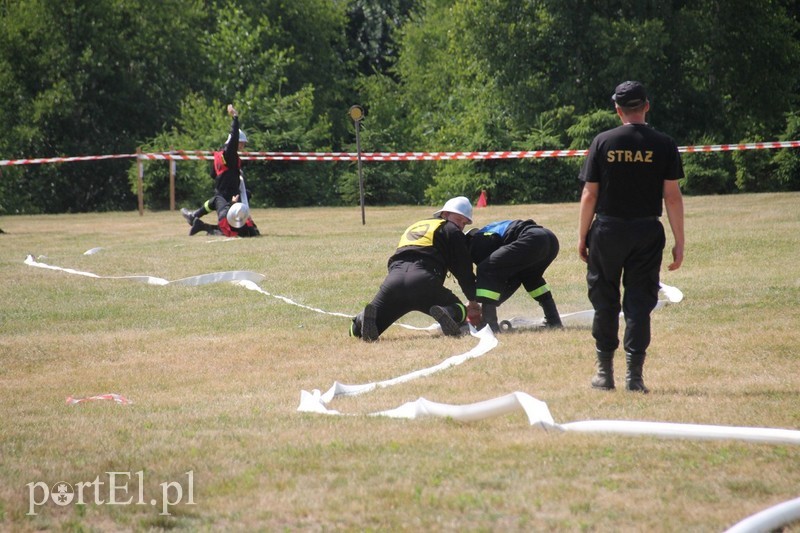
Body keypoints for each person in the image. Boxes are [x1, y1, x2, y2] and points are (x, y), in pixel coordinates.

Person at [577, 80, 685, 393]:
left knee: (605, 301)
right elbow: (672, 196)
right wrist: (680, 241)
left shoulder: (603, 141)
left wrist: (582, 236)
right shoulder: (664, 143)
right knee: (639, 304)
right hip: (647, 231)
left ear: (617, 110)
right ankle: (634, 378)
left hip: (607, 231)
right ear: (646, 106)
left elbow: (589, 194)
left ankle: (604, 374)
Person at [350, 196, 482, 342]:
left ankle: (360, 320)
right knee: (459, 308)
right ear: (445, 214)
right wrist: (473, 301)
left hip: (395, 280)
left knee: (360, 330)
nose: (461, 226)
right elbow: (464, 271)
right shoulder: (451, 230)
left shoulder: (416, 225)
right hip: (424, 281)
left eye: (465, 223)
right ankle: (447, 312)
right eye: (459, 220)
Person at [467, 219, 562, 333]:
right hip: (549, 239)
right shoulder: (489, 232)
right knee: (530, 278)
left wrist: (475, 304)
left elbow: (490, 275)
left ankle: (488, 325)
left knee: (485, 268)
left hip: (532, 239)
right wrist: (486, 306)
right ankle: (553, 320)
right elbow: (512, 279)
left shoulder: (476, 242)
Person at [181, 104, 259, 237]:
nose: (243, 146)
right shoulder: (230, 154)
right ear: (236, 143)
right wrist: (235, 117)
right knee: (233, 230)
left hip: (222, 194)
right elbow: (233, 138)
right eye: (241, 143)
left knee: (250, 228)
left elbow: (213, 174)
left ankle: (195, 215)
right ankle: (202, 225)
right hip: (228, 197)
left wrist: (230, 177)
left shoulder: (219, 155)